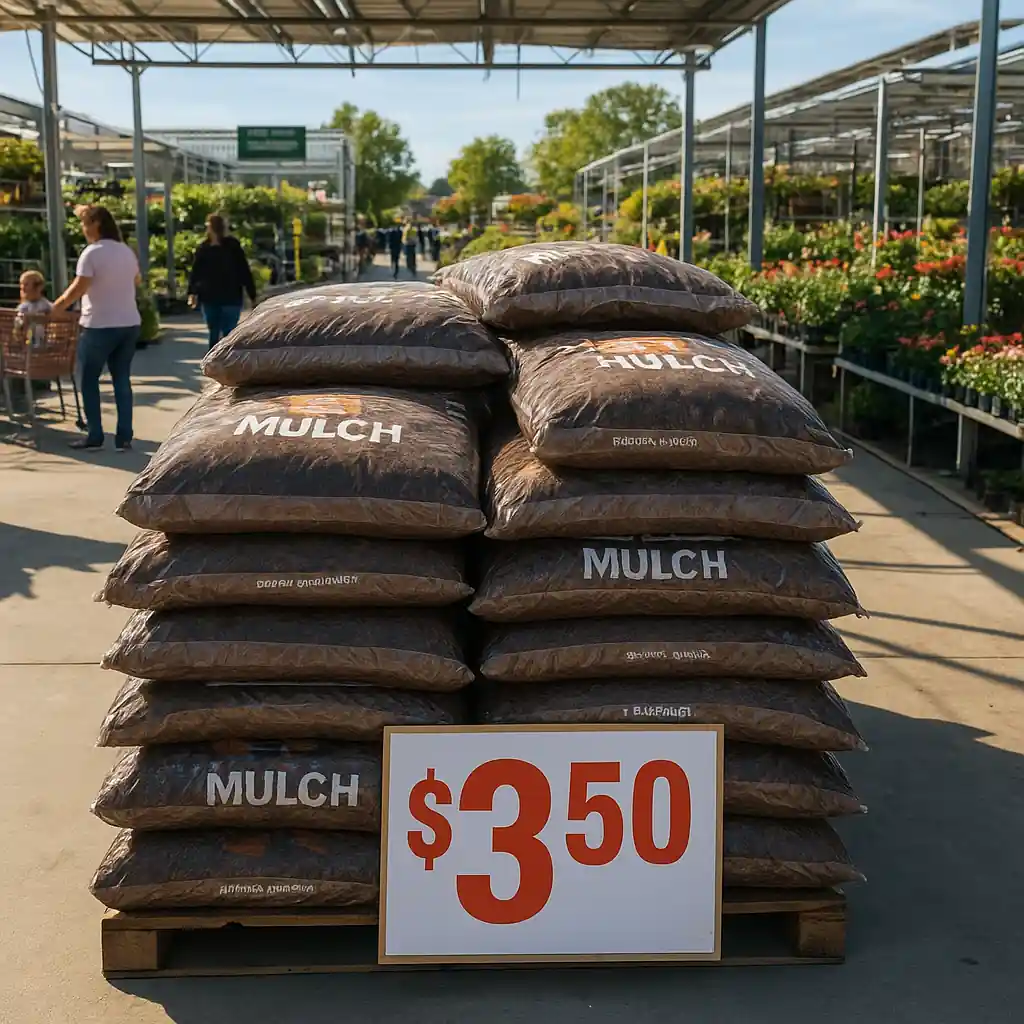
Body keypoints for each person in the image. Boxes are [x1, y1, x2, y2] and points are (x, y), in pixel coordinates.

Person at [50, 204, 140, 451]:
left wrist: (55, 308)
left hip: (99, 324)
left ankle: (95, 434)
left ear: (96, 225)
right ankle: (124, 437)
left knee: (88, 379)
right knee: (121, 379)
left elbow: (78, 288)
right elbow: (137, 280)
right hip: (129, 322)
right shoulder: (126, 252)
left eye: (85, 223)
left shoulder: (91, 253)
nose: (83, 229)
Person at [187, 213, 256, 350]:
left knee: (229, 332)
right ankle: (214, 363)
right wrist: (192, 292)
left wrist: (251, 293)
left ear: (212, 227)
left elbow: (243, 270)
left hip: (230, 296)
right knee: (213, 331)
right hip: (210, 297)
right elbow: (196, 272)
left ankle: (227, 362)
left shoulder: (232, 246)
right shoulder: (204, 248)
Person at [14, 269, 52, 349]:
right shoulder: (21, 307)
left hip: (40, 345)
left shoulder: (46, 306)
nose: (23, 288)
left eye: (26, 284)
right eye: (21, 284)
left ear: (39, 287)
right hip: (22, 345)